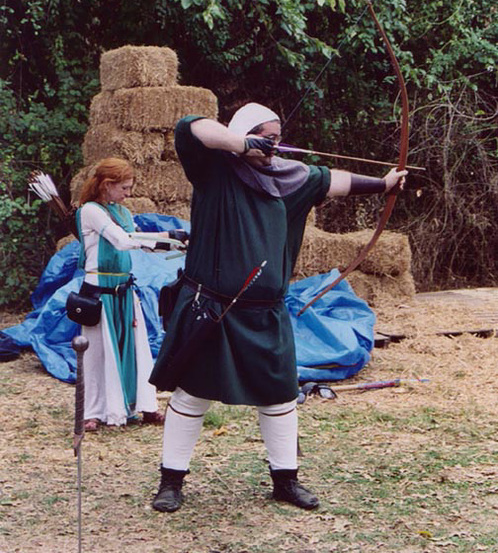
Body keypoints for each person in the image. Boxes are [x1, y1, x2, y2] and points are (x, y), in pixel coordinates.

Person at [149, 103, 407, 512]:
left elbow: (331, 179)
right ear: (245, 134)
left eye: (276, 137)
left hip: (264, 311)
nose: (273, 144)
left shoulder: (289, 177)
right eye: (265, 136)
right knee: (192, 395)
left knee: (279, 396)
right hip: (211, 308)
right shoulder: (213, 170)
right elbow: (189, 126)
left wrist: (384, 182)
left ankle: (285, 481)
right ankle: (170, 483)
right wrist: (239, 145)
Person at [76, 157, 186, 431]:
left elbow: (144, 244)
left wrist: (178, 241)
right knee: (97, 354)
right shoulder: (90, 210)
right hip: (98, 291)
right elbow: (122, 241)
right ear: (107, 185)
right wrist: (169, 234)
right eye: (124, 188)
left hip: (124, 288)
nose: (128, 193)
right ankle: (93, 412)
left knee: (136, 349)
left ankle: (145, 407)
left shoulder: (121, 212)